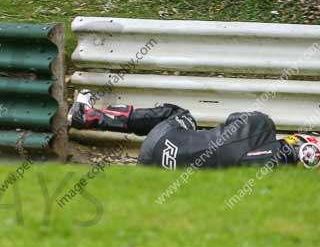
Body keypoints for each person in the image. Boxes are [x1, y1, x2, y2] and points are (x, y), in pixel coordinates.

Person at [67, 90, 320, 169]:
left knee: (179, 115)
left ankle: (86, 115)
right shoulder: (255, 169)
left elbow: (234, 118)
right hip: (157, 171)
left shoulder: (260, 123)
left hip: (162, 143)